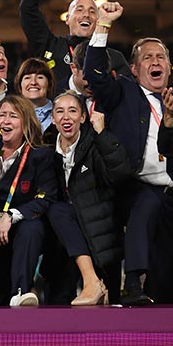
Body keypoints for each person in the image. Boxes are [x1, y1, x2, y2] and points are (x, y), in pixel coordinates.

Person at [83, 2, 170, 304]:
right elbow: (95, 74)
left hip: (170, 191)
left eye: (161, 57)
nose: (155, 62)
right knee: (147, 202)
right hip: (136, 185)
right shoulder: (124, 92)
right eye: (147, 58)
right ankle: (132, 281)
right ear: (134, 69)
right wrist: (104, 25)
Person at [0, 95, 57, 306]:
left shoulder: (40, 155)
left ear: (26, 122)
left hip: (19, 227)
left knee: (32, 227)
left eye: (13, 116)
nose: (6, 121)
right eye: (2, 115)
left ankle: (22, 291)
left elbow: (47, 197)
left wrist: (10, 216)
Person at [49, 91, 134, 305]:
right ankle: (90, 281)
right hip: (66, 240)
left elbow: (120, 174)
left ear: (83, 117)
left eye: (72, 111)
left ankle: (92, 282)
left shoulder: (94, 144)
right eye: (60, 111)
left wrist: (103, 134)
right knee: (58, 210)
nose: (66, 117)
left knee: (110, 310)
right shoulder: (47, 150)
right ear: (52, 119)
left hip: (101, 233)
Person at [15, 58, 56, 138]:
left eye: (40, 77)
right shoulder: (11, 115)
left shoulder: (59, 113)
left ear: (49, 84)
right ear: (20, 85)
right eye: (27, 78)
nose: (33, 82)